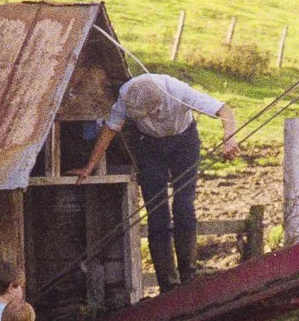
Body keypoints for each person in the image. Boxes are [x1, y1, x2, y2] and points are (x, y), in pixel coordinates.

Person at [76, 72, 240, 292]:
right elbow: (110, 130)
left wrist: (229, 140)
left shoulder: (177, 91)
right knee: (156, 212)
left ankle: (188, 276)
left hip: (184, 142)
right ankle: (167, 284)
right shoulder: (127, 95)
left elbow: (224, 110)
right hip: (149, 146)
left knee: (183, 206)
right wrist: (90, 166)